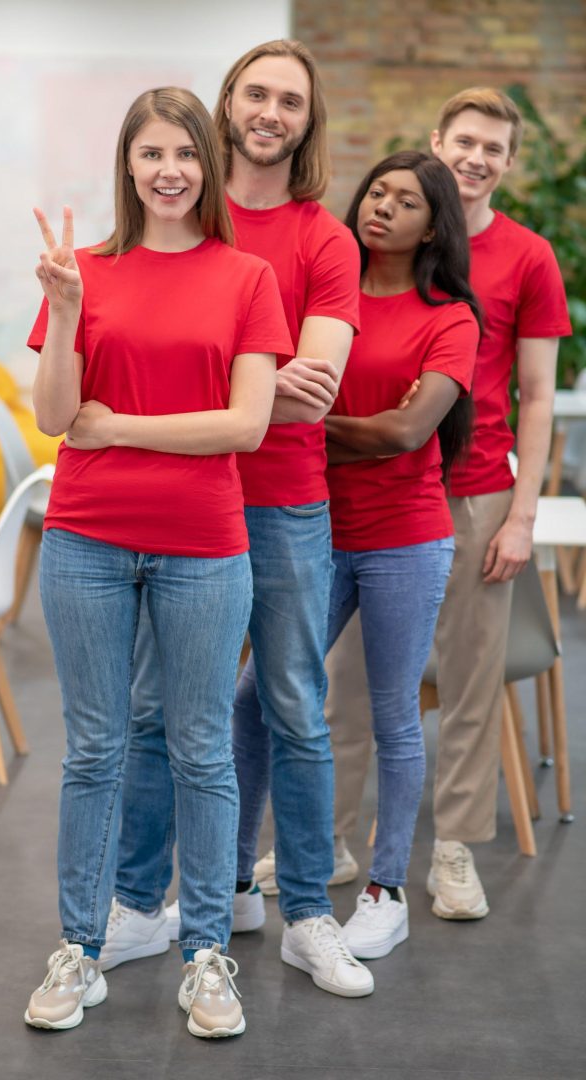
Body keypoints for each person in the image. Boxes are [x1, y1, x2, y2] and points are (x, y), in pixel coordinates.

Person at [96, 40, 369, 998]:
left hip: (285, 502)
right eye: (255, 93)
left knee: (295, 706)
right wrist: (252, 378)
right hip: (172, 508)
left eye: (289, 99)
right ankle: (136, 907)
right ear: (227, 105)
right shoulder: (171, 224)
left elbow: (312, 393)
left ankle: (304, 915)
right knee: (150, 711)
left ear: (306, 120)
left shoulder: (323, 240)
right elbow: (242, 383)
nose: (270, 111)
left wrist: (221, 383)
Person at [23, 86, 292, 1038]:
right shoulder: (83, 269)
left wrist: (121, 427)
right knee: (94, 751)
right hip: (87, 538)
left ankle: (207, 956)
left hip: (205, 547)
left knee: (202, 752)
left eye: (185, 154)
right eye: (151, 155)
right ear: (127, 167)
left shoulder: (245, 276)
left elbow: (249, 423)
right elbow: (57, 418)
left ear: (207, 167)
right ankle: (80, 949)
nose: (170, 170)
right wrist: (63, 312)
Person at [324, 88, 572, 921]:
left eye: (494, 149)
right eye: (464, 141)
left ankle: (456, 848)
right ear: (438, 142)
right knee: (347, 683)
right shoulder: (368, 249)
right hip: (365, 496)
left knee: (471, 683)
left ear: (508, 163)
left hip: (475, 495)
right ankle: (329, 837)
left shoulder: (530, 257)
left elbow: (537, 396)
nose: (477, 158)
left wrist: (524, 513)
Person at [238, 150, 480, 962]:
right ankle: (235, 878)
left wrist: (295, 421)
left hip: (406, 537)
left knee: (392, 717)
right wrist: (327, 424)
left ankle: (385, 890)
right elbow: (320, 408)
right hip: (315, 528)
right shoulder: (325, 292)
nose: (382, 208)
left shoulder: (449, 317)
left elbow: (407, 434)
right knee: (254, 701)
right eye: (376, 191)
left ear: (433, 224)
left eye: (406, 201)